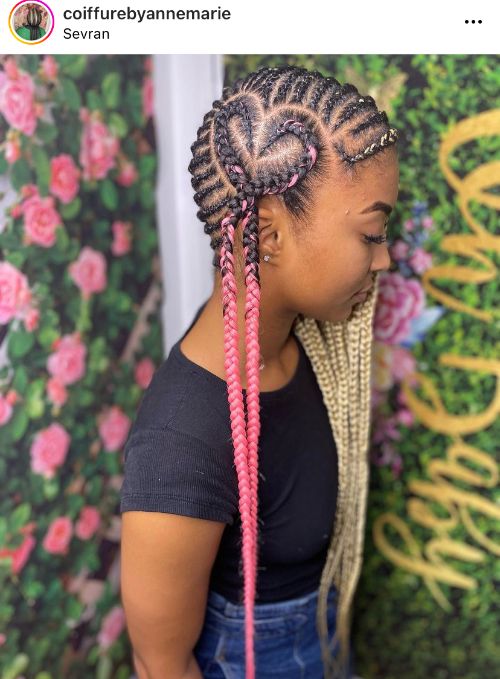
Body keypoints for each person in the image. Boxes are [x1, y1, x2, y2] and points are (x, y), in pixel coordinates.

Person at [119, 65, 400, 679]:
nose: (384, 258)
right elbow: (160, 666)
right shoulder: (181, 445)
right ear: (267, 233)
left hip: (325, 640)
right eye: (372, 233)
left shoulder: (296, 335)